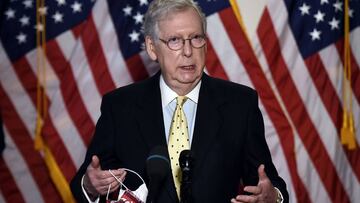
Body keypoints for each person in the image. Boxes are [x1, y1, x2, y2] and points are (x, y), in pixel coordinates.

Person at [70, 0, 289, 202]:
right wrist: (90, 185)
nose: (187, 51)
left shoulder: (240, 104)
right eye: (174, 40)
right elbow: (84, 182)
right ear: (152, 47)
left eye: (196, 38)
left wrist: (273, 197)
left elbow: (269, 183)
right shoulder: (119, 107)